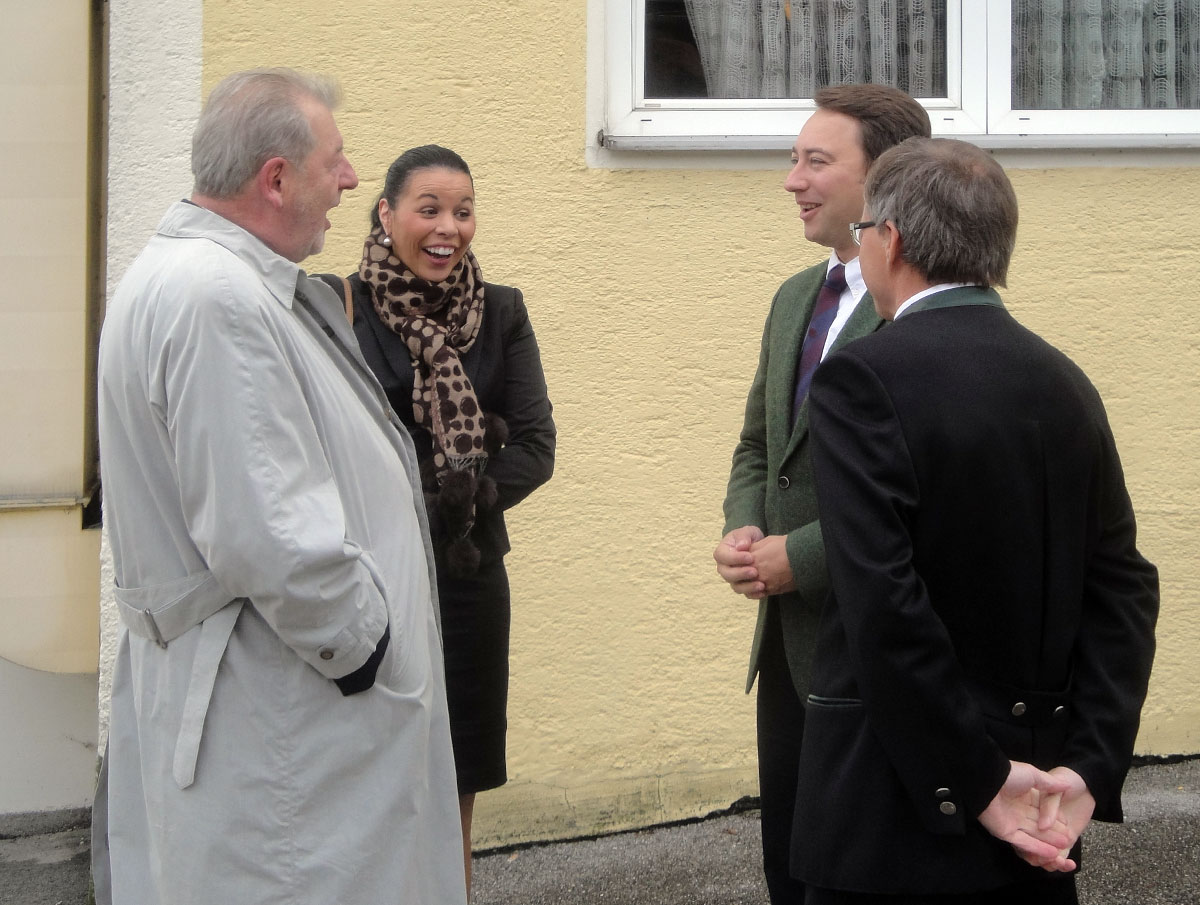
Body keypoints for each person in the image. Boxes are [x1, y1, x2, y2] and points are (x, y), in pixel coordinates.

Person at [94, 70, 466, 905]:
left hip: (279, 707)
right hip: (285, 725)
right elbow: (270, 534)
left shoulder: (196, 279)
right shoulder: (215, 297)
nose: (351, 179)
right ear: (275, 177)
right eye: (334, 160)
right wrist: (371, 648)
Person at [798, 137, 1159, 903]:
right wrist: (1089, 766)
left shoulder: (862, 378)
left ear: (889, 240)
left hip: (897, 820)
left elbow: (884, 603)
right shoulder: (1066, 380)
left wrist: (979, 779)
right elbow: (1123, 588)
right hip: (1042, 817)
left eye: (863, 233)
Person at [712, 84, 930, 904]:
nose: (791, 179)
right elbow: (760, 444)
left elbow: (921, 494)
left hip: (873, 644)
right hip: (788, 649)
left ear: (883, 180)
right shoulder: (794, 298)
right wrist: (743, 526)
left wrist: (798, 556)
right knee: (791, 866)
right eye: (793, 158)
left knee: (862, 873)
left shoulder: (918, 316)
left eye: (815, 160)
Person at [318, 144, 555, 891]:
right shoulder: (338, 308)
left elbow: (537, 445)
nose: (448, 226)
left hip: (467, 572)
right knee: (370, 764)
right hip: (370, 575)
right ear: (386, 215)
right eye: (429, 209)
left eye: (463, 209)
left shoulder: (503, 311)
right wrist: (414, 508)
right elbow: (324, 449)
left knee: (458, 770)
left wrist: (461, 502)